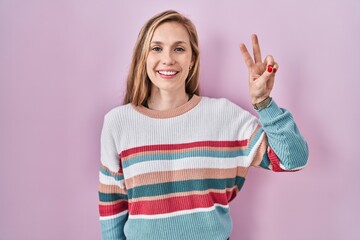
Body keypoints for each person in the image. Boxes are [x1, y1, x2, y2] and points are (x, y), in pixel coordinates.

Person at [98, 10, 308, 240]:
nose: (168, 59)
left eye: (179, 48)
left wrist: (263, 103)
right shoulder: (117, 123)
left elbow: (292, 160)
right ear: (143, 57)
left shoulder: (225, 116)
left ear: (192, 60)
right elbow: (112, 213)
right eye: (156, 48)